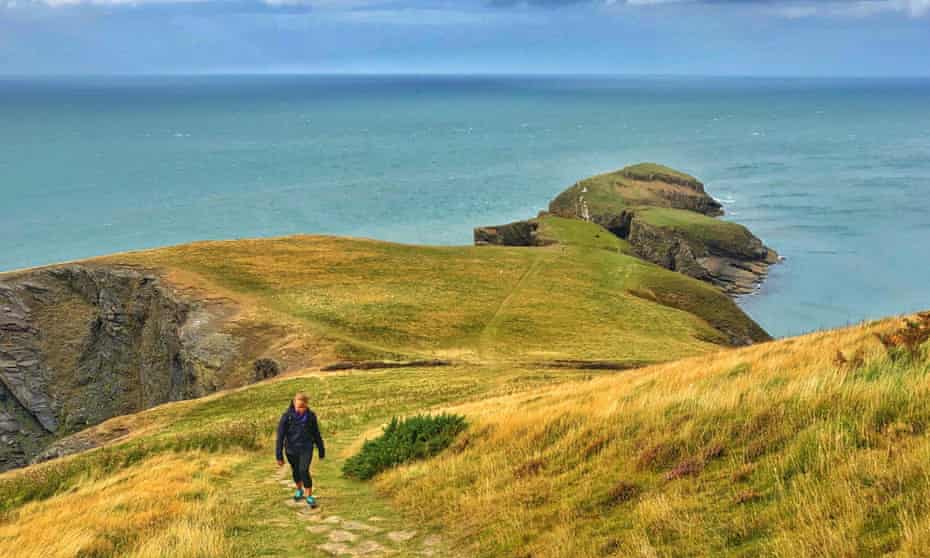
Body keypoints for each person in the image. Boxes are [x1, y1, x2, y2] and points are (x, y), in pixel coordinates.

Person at [275, 391, 325, 507]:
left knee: (304, 470)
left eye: (303, 406)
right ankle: (299, 489)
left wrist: (321, 449)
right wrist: (279, 455)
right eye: (298, 406)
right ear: (294, 403)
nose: (300, 409)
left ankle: (309, 496)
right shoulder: (286, 417)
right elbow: (280, 437)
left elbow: (316, 433)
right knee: (296, 470)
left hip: (306, 448)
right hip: (291, 449)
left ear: (306, 405)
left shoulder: (311, 416)